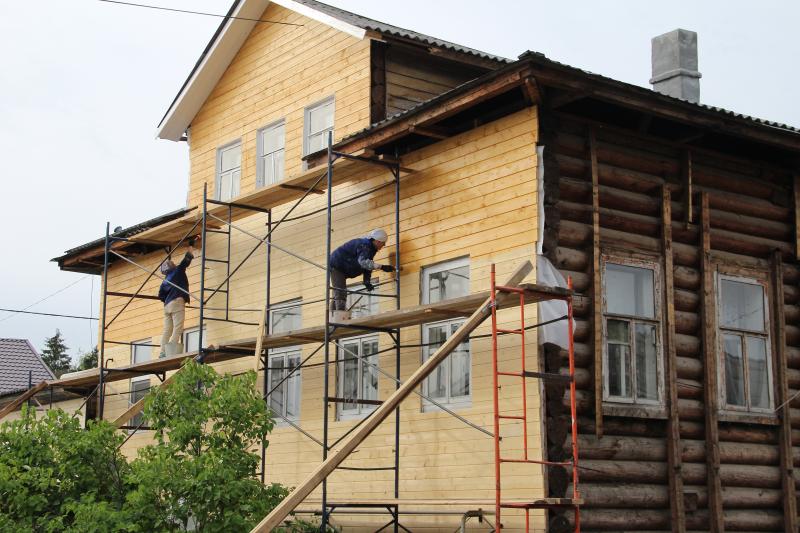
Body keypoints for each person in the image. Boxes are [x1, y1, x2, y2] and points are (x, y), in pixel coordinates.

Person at [329, 229, 394, 320]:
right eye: (383, 243)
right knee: (340, 291)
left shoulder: (370, 248)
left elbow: (368, 265)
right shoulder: (365, 245)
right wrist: (382, 267)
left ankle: (334, 317)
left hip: (345, 266)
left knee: (338, 292)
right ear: (378, 241)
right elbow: (363, 263)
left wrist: (366, 281)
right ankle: (339, 317)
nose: (384, 245)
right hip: (337, 266)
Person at [158, 237, 197, 357]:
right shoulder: (178, 271)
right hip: (176, 302)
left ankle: (162, 352)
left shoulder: (165, 281)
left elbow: (161, 295)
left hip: (167, 306)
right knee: (178, 327)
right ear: (171, 267)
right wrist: (191, 244)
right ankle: (171, 351)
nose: (173, 262)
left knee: (167, 330)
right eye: (172, 263)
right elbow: (187, 259)